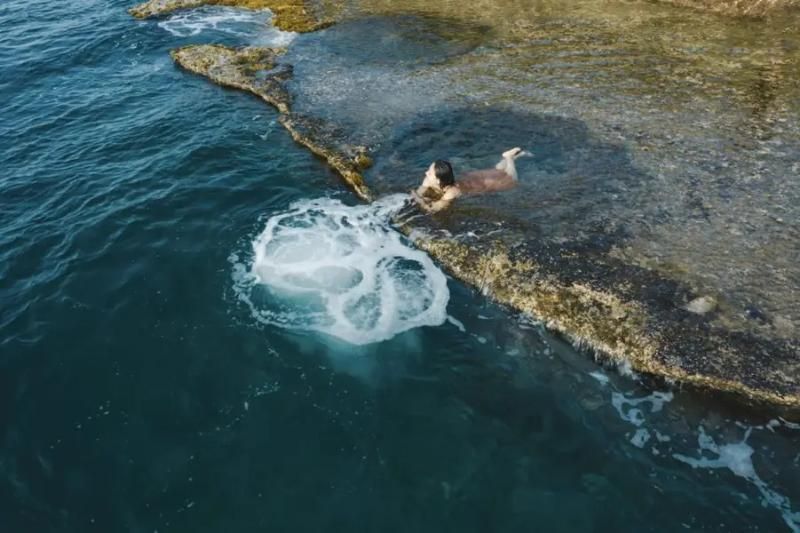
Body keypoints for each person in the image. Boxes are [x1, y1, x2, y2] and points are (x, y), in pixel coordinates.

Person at [411, 147, 530, 213]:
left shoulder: (452, 192)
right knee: (498, 171)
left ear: (438, 180)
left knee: (511, 180)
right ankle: (514, 156)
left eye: (430, 172)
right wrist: (419, 195)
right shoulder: (429, 180)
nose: (426, 173)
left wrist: (419, 200)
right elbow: (421, 191)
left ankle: (509, 158)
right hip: (473, 178)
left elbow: (433, 209)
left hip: (481, 184)